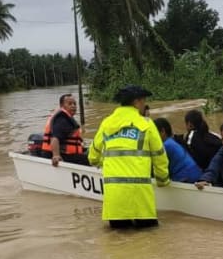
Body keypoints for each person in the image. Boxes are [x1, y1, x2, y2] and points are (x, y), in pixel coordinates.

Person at [88, 85, 170, 229]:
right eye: (144, 101)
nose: (144, 105)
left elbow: (92, 157)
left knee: (119, 243)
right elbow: (159, 157)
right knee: (150, 240)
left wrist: (105, 161)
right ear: (136, 102)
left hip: (115, 199)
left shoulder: (106, 124)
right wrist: (162, 180)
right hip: (140, 197)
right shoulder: (147, 124)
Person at [42, 93, 88, 166]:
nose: (73, 106)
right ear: (62, 106)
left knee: (89, 151)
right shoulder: (61, 119)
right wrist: (56, 156)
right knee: (90, 159)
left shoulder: (67, 118)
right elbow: (55, 138)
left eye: (74, 104)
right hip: (58, 155)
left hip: (66, 153)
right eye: (70, 104)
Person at [154, 117, 203, 183]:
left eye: (154, 133)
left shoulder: (165, 146)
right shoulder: (172, 142)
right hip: (196, 174)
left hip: (186, 178)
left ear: (163, 131)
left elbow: (157, 168)